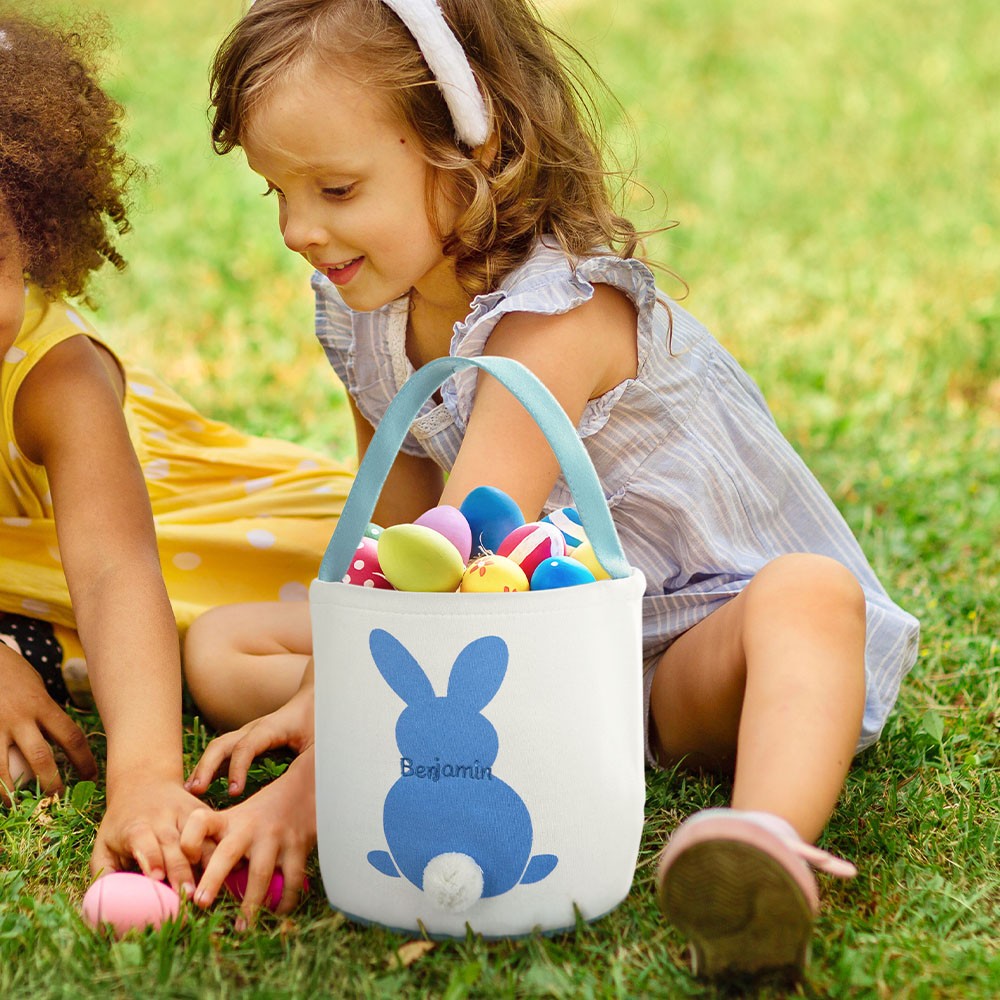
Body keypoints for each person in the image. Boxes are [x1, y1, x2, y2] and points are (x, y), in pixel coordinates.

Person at [180, 0, 919, 975]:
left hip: (702, 648)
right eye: (275, 191)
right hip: (555, 645)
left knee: (808, 595)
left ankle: (756, 846)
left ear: (469, 151)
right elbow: (397, 533)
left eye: (337, 187)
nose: (298, 228)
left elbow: (454, 558)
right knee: (224, 646)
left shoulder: (554, 321)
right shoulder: (362, 308)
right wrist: (330, 691)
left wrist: (318, 782)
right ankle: (485, 727)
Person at [0, 8, 353, 892]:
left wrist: (145, 779)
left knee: (282, 640)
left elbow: (119, 572)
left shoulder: (56, 378)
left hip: (195, 550)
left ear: (38, 238)